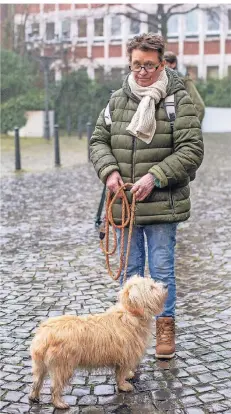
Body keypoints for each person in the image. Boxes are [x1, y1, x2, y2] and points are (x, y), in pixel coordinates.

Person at [90, 33, 204, 359]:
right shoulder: (116, 100)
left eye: (150, 65)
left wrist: (155, 177)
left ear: (160, 62)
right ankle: (130, 334)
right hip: (124, 202)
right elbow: (99, 140)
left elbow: (192, 150)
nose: (142, 72)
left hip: (162, 203)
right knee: (130, 272)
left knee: (162, 269)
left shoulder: (177, 99)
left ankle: (165, 328)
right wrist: (109, 171)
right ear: (129, 61)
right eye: (137, 64)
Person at [164, 51, 205, 123]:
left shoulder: (184, 81)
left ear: (173, 64)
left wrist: (190, 129)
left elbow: (199, 107)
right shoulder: (158, 82)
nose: (162, 67)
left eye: (165, 63)